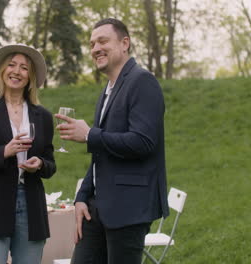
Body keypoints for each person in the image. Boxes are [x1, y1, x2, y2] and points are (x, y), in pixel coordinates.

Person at [55, 18, 169, 264]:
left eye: (103, 41)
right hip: (96, 209)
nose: (95, 48)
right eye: (92, 43)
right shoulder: (107, 90)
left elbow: (143, 142)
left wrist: (89, 134)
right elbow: (101, 155)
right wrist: (82, 197)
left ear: (125, 43)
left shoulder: (142, 82)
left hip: (128, 208)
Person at [0, 44, 56, 264]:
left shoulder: (42, 115)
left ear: (30, 76)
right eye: (11, 65)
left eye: (24, 68)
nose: (16, 71)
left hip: (31, 206)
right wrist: (4, 152)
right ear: (2, 70)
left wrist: (40, 164)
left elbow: (51, 163)